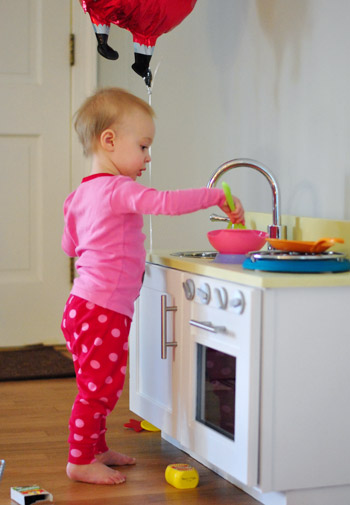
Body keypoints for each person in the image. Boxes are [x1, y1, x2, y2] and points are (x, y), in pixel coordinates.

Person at [60, 87, 245, 486]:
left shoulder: (79, 195)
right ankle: (79, 461)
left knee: (101, 385)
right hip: (102, 309)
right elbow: (164, 203)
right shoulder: (117, 189)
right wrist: (214, 195)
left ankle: (96, 448)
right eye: (143, 146)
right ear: (109, 141)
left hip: (82, 307)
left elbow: (69, 246)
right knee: (97, 390)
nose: (147, 157)